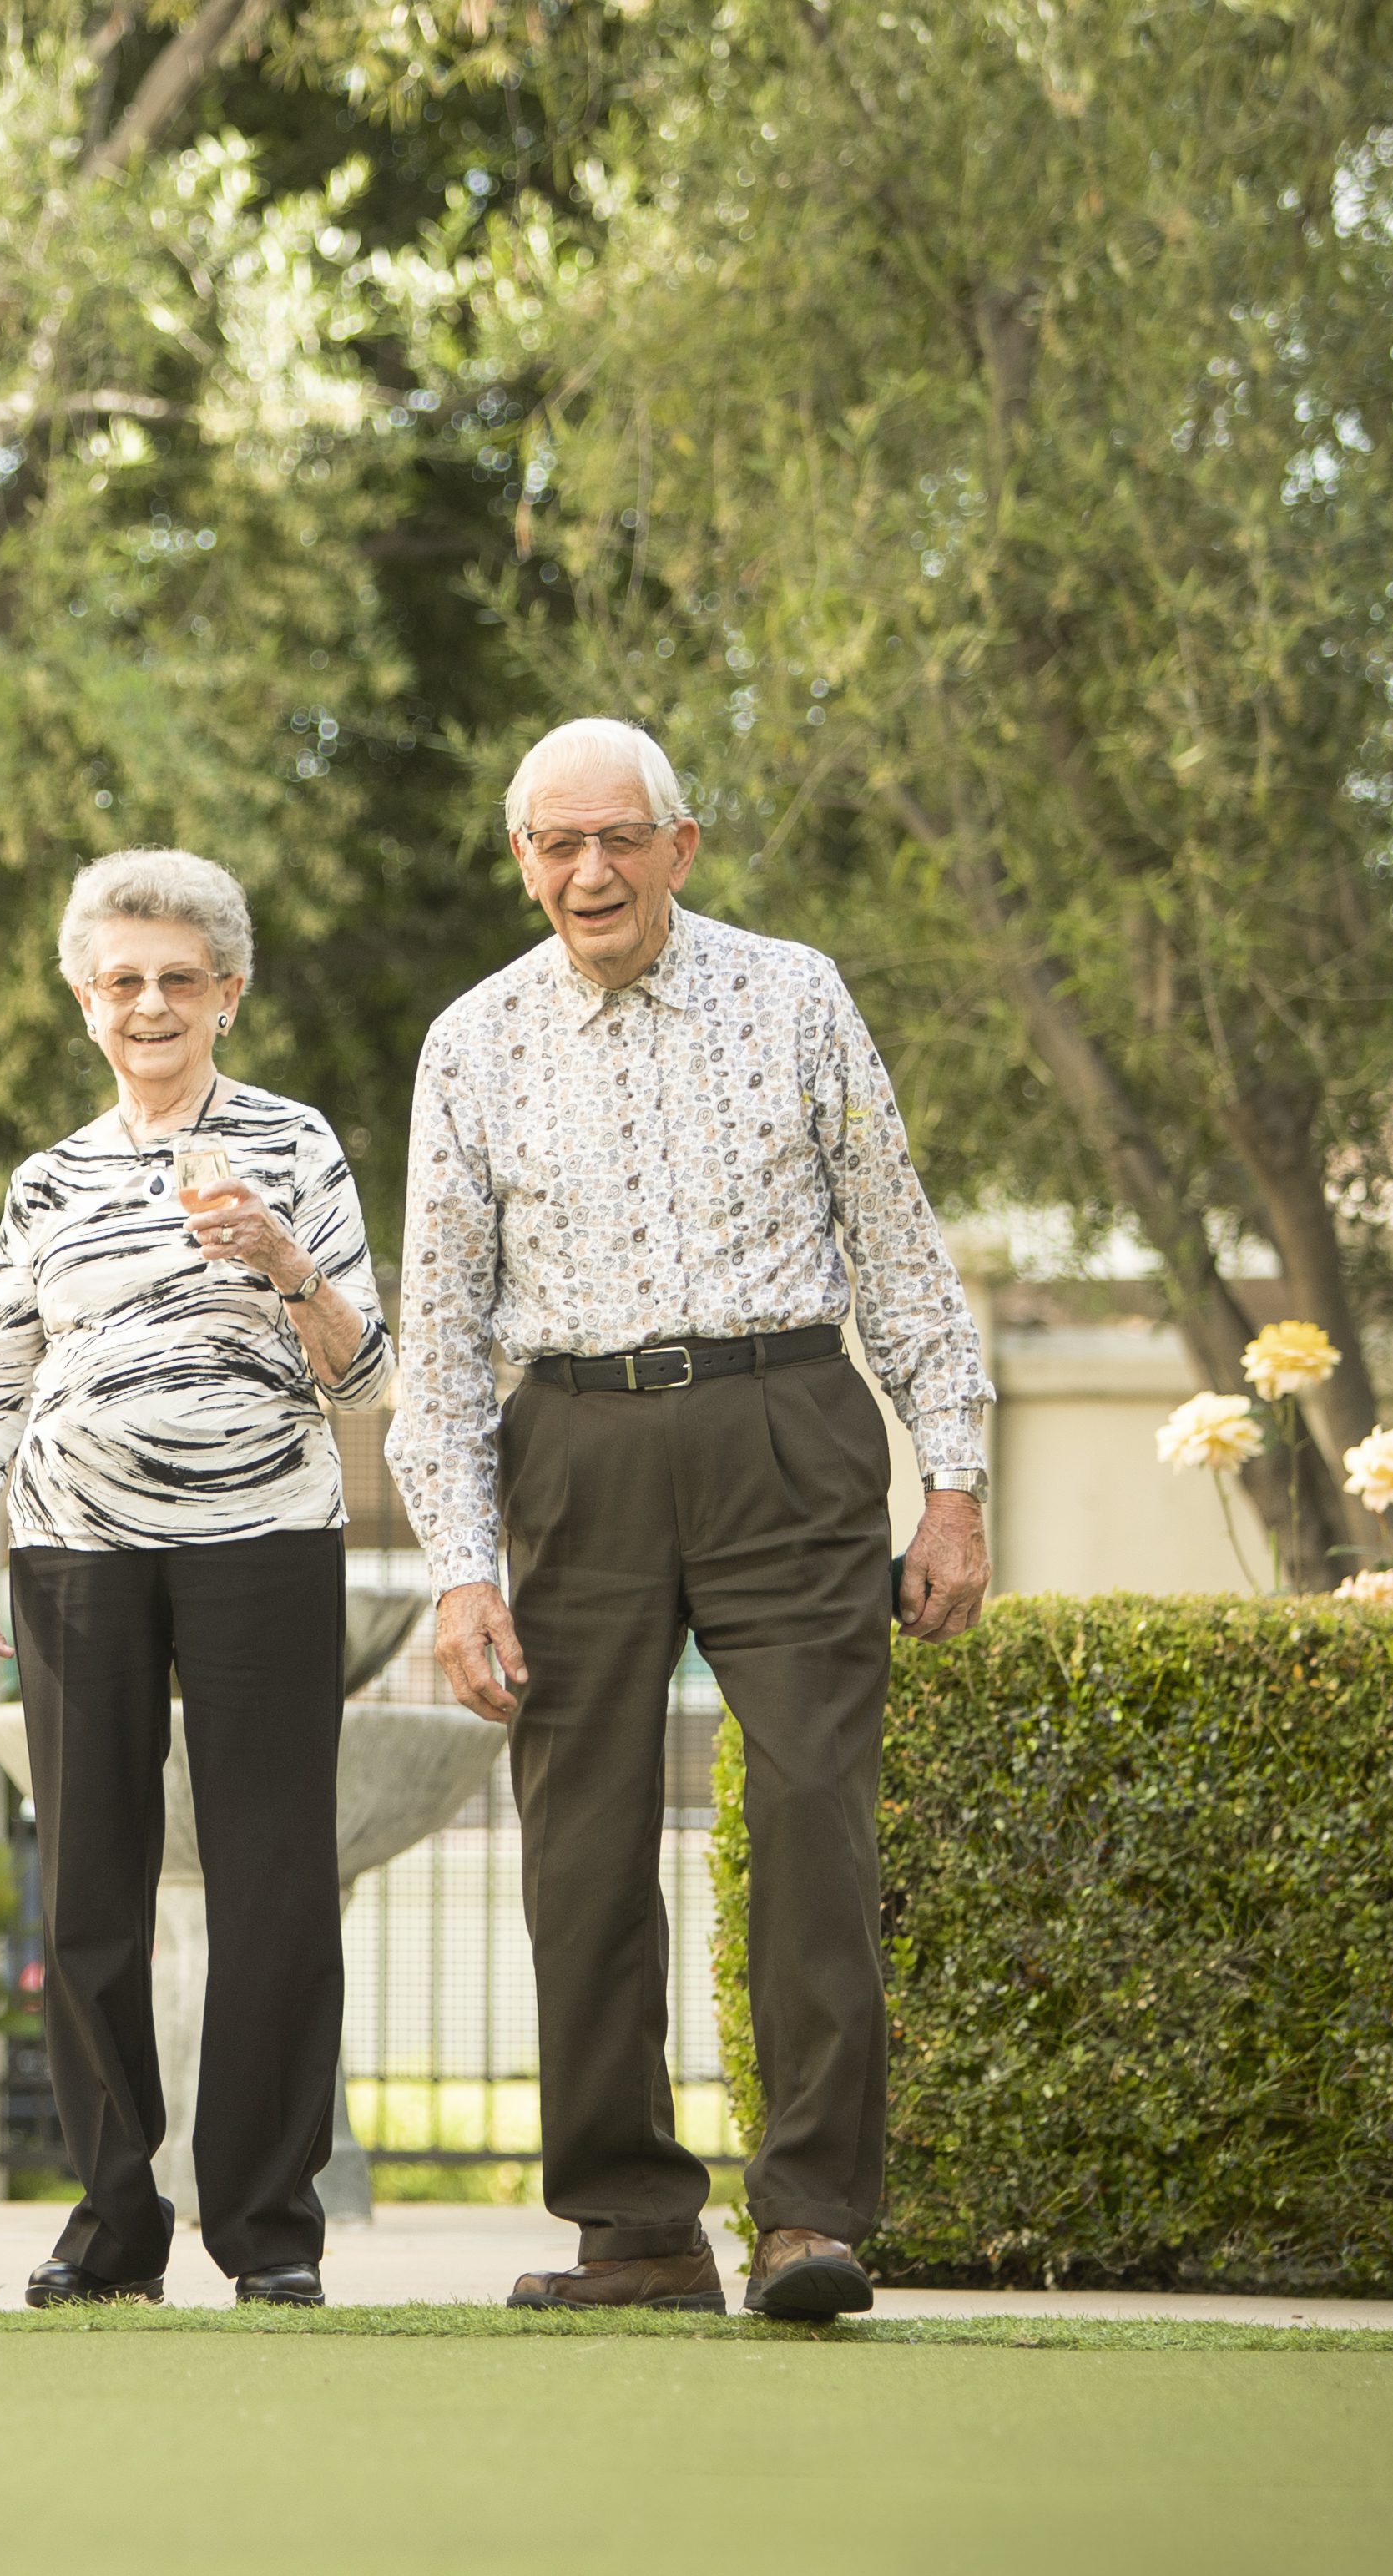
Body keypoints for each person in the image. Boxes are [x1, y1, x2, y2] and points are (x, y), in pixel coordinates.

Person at [391, 717, 995, 2321]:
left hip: (783, 1429)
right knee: (579, 1847)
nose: (588, 872)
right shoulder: (471, 1042)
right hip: (571, 1450)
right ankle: (635, 2233)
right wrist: (463, 1567)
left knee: (811, 1814)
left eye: (618, 839)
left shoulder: (794, 994)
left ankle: (809, 2217)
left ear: (682, 844)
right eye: (555, 845)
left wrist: (953, 1484)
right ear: (522, 860)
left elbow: (900, 1252)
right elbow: (441, 1336)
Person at [0, 851, 391, 2310]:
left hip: (267, 1541)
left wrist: (282, 1258)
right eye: (120, 981)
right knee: (88, 1899)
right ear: (84, 1000)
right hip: (75, 1549)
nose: (149, 1004)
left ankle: (269, 2230)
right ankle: (113, 2223)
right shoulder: (48, 1179)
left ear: (228, 995)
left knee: (274, 1888)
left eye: (178, 980)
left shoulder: (297, 1146)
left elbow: (371, 1375)